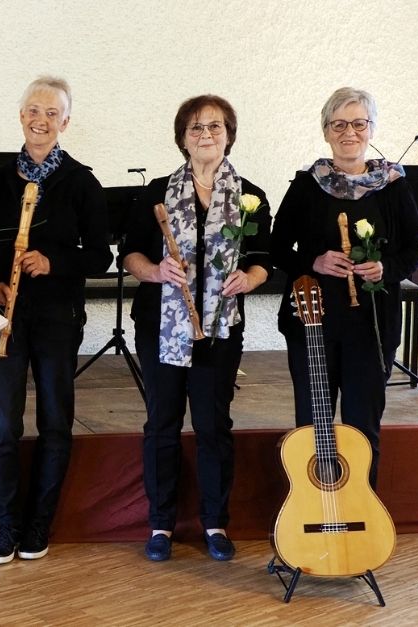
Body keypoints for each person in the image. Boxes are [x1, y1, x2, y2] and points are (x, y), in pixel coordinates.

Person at [120, 95, 272, 563]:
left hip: (220, 330)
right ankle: (161, 524)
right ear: (182, 137)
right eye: (195, 127)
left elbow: (266, 261)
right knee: (161, 424)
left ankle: (215, 522)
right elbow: (129, 256)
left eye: (215, 126)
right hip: (162, 327)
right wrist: (156, 271)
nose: (205, 134)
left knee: (213, 426)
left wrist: (249, 278)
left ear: (229, 133)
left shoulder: (251, 197)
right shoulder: (157, 193)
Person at [0, 76, 111, 564]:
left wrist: (54, 263)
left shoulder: (81, 182)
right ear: (21, 116)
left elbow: (100, 256)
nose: (41, 120)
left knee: (55, 421)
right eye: (34, 110)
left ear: (65, 122)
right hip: (6, 317)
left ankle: (38, 522)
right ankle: (5, 524)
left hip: (57, 315)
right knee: (1, 426)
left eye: (52, 113)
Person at [270, 87, 418, 488]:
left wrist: (384, 268)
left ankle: (361, 516)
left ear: (371, 129)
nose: (349, 132)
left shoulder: (392, 185)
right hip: (313, 320)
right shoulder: (307, 184)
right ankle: (313, 514)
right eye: (339, 124)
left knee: (362, 428)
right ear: (326, 131)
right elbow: (276, 247)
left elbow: (414, 250)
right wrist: (314, 262)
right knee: (311, 427)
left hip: (371, 326)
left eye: (359, 123)